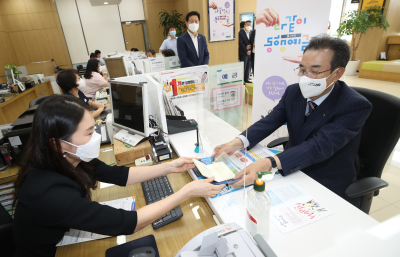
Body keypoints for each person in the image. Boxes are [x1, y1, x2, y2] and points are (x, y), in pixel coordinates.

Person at [12, 95, 224, 256]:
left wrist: (170, 167)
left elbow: (119, 174)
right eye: (88, 133)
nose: (95, 138)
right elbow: (129, 223)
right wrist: (186, 192)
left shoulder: (70, 158)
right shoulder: (48, 193)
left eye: (94, 129)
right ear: (58, 144)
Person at [213, 35, 373, 207]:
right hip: (290, 168)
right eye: (303, 70)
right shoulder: (293, 92)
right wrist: (237, 142)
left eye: (315, 71)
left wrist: (270, 163)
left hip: (326, 180)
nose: (306, 77)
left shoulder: (354, 105)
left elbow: (318, 146)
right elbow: (269, 121)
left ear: (337, 73)